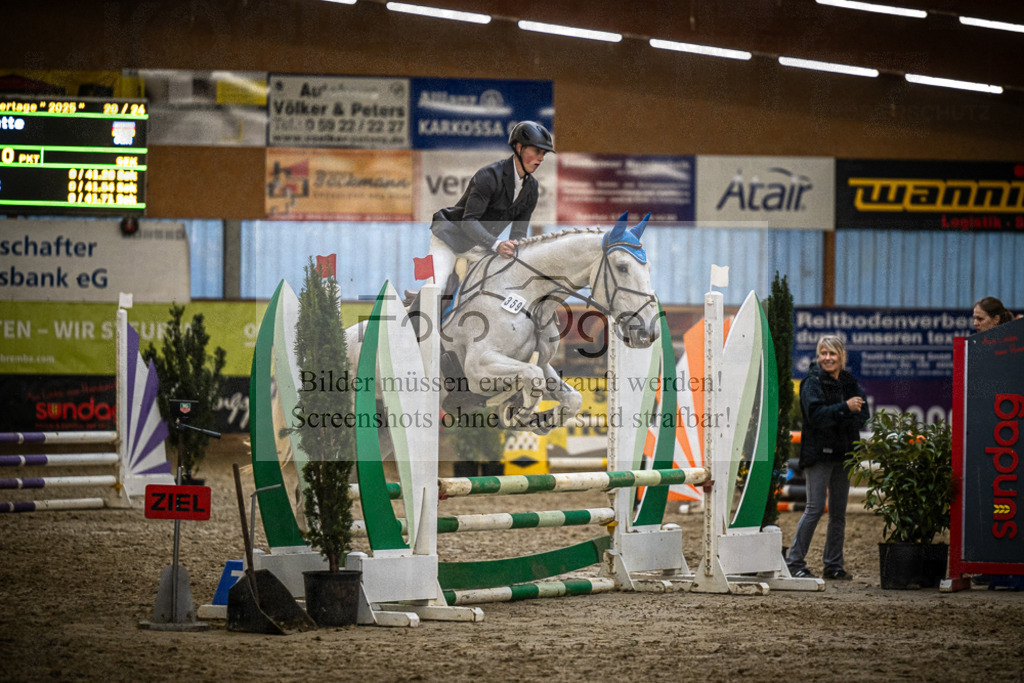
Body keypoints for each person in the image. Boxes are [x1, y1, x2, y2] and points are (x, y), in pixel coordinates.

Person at [426, 120, 554, 291]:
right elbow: (468, 221)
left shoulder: (532, 188)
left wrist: (513, 248)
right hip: (449, 239)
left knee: (497, 290)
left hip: (480, 247)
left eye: (544, 153)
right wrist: (497, 245)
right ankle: (418, 306)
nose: (541, 158)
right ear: (518, 147)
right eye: (537, 151)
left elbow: (518, 233)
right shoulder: (489, 176)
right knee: (436, 286)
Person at [786, 334, 869, 581]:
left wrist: (839, 414)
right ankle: (794, 562)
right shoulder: (811, 383)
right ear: (818, 355)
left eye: (832, 353)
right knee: (814, 509)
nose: (827, 358)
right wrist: (845, 409)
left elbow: (863, 414)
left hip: (844, 455)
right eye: (823, 353)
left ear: (842, 356)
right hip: (818, 455)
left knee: (838, 514)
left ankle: (833, 565)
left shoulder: (850, 382)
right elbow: (816, 417)